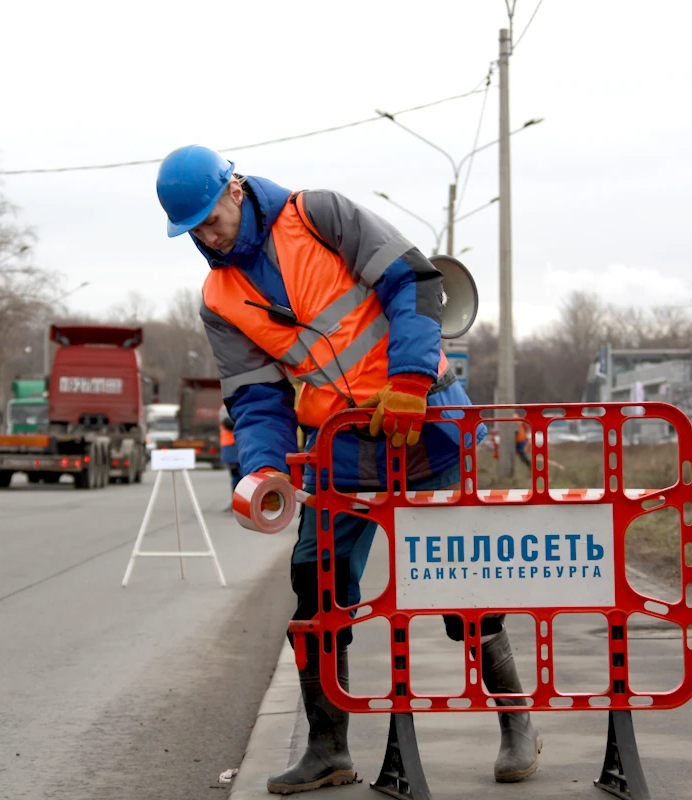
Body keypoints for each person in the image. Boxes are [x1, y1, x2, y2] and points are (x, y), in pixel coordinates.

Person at [156, 145, 541, 793]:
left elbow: (414, 281)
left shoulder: (318, 216)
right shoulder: (219, 298)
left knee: (459, 588)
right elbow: (256, 397)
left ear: (236, 189)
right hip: (341, 450)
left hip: (424, 428)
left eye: (208, 217)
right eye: (191, 228)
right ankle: (328, 748)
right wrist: (263, 471)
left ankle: (517, 724)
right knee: (316, 585)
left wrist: (412, 379)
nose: (205, 234)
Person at [219, 405, 239, 510]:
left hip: (241, 446)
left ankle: (243, 502)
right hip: (231, 448)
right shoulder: (225, 408)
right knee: (236, 476)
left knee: (245, 476)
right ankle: (236, 502)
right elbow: (227, 423)